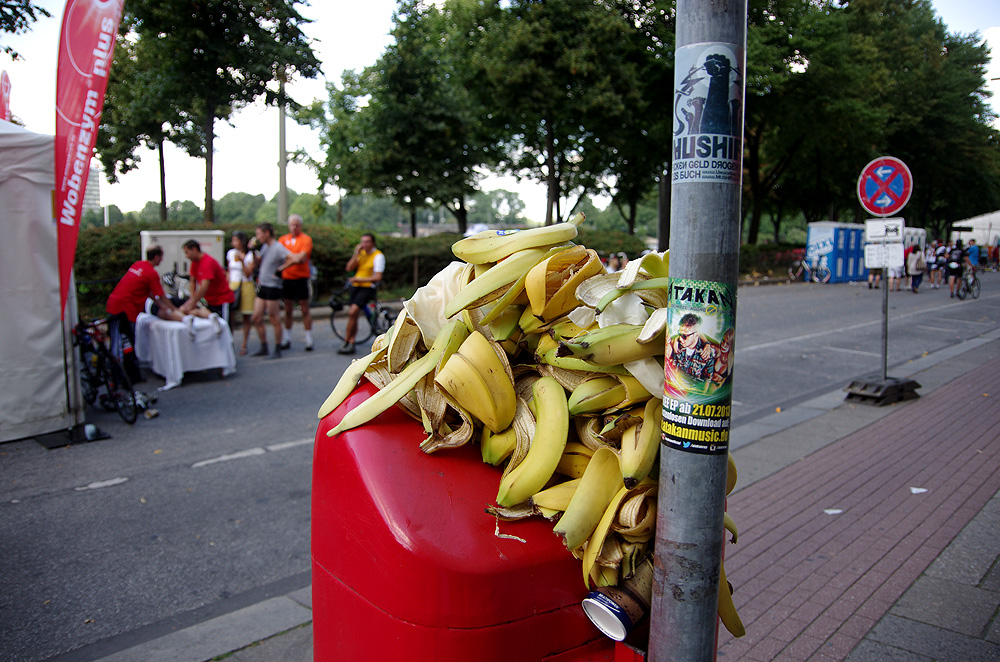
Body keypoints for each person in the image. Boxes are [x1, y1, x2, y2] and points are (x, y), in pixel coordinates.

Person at [106, 245, 215, 383]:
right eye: (161, 257)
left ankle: (122, 374)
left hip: (116, 304)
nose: (162, 260)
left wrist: (162, 306)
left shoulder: (138, 265)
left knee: (117, 342)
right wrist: (172, 309)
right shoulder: (151, 273)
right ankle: (127, 375)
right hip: (127, 310)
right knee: (126, 343)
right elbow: (161, 296)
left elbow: (152, 294)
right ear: (156, 257)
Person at [250, 223, 292, 359]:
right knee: (256, 317)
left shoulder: (278, 247)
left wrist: (281, 269)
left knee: (274, 317)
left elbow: (293, 258)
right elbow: (257, 263)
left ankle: (277, 347)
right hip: (263, 285)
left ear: (266, 233)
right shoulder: (265, 247)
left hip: (273, 286)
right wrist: (252, 250)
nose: (257, 237)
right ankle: (264, 345)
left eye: (258, 233)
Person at [340, 233, 385, 355]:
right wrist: (356, 254)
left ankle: (350, 341)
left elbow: (377, 276)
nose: (365, 244)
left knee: (353, 311)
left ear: (373, 243)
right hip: (356, 287)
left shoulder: (378, 256)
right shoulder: (361, 254)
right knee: (352, 315)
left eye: (367, 242)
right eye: (363, 242)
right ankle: (349, 340)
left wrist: (359, 279)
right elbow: (349, 268)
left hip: (367, 288)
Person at [277, 214, 315, 351]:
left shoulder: (306, 239)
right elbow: (281, 257)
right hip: (287, 279)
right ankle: (287, 337)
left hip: (301, 278)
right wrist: (295, 258)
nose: (294, 227)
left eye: (296, 225)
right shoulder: (283, 239)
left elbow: (302, 257)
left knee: (304, 308)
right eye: (292, 225)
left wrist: (287, 261)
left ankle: (308, 338)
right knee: (288, 309)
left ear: (301, 225)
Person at [227, 231, 264, 356]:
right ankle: (230, 342)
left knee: (246, 317)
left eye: (235, 240)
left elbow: (248, 273)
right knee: (230, 316)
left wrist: (242, 260)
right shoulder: (231, 253)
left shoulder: (250, 255)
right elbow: (228, 270)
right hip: (233, 284)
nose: (233, 243)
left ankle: (244, 344)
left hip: (246, 285)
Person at [181, 239, 235, 321]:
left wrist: (193, 302)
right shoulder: (194, 263)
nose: (186, 256)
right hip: (210, 301)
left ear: (194, 249)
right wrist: (192, 298)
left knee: (224, 324)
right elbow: (192, 281)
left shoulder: (207, 262)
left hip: (222, 300)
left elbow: (204, 286)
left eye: (187, 252)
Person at [666, 313, 719, 382]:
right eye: (680, 334)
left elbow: (707, 381)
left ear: (697, 334)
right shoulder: (676, 343)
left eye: (685, 336)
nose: (681, 339)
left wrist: (707, 343)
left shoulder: (706, 354)